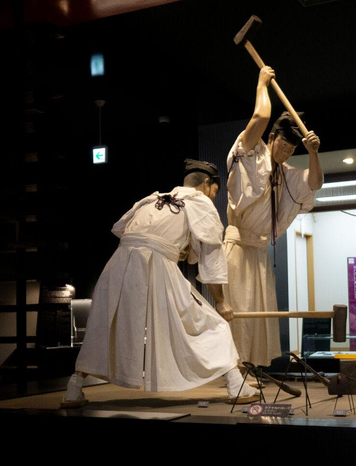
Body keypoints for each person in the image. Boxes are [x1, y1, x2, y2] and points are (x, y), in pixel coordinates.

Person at [61, 159, 259, 408]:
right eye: (215, 191)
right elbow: (211, 256)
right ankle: (235, 384)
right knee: (210, 323)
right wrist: (221, 301)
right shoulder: (200, 204)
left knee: (103, 325)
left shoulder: (151, 200)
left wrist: (178, 247)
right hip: (153, 264)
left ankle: (74, 387)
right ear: (207, 184)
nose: (213, 197)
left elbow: (124, 230)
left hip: (118, 263)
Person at [224, 66, 323, 367]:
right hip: (238, 247)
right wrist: (261, 85)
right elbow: (259, 118)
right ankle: (234, 372)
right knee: (240, 314)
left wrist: (313, 153)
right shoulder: (250, 152)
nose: (286, 151)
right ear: (272, 138)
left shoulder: (288, 174)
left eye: (293, 148)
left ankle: (250, 370)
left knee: (260, 316)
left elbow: (314, 183)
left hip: (260, 250)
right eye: (283, 143)